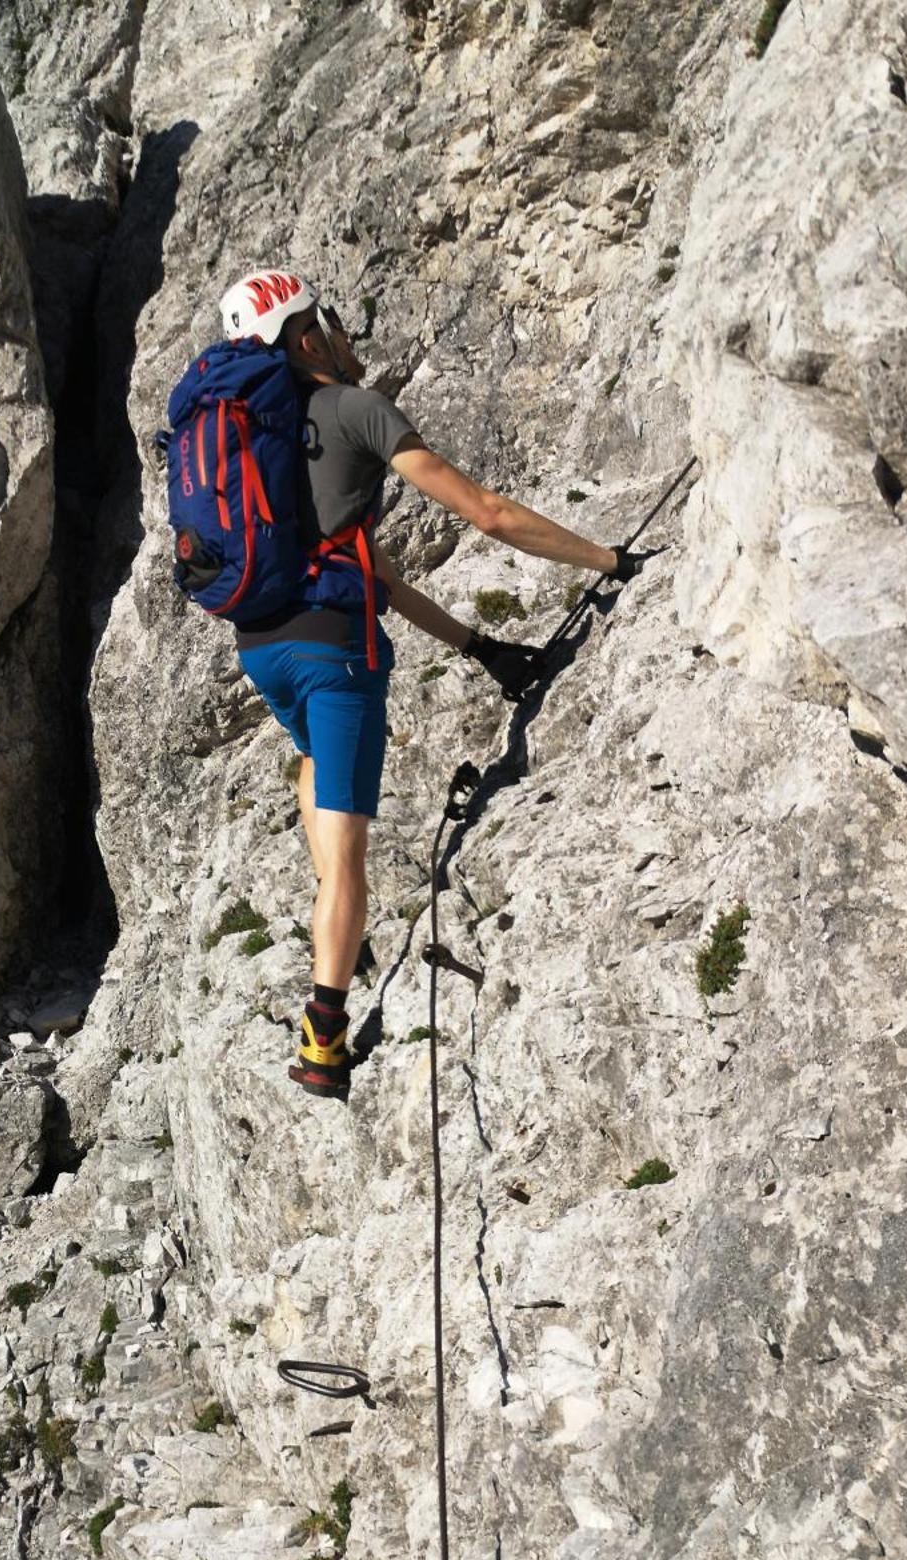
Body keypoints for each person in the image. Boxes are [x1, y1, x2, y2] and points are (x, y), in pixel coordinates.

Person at [217, 268, 649, 1102]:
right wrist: (607, 559)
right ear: (307, 337)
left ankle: (330, 927)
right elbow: (485, 512)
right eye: (328, 320)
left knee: (313, 758)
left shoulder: (255, 440)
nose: (342, 334)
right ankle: (325, 1035)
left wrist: (481, 647)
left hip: (261, 646)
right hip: (334, 656)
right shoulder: (355, 410)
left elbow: (370, 571)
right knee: (348, 859)